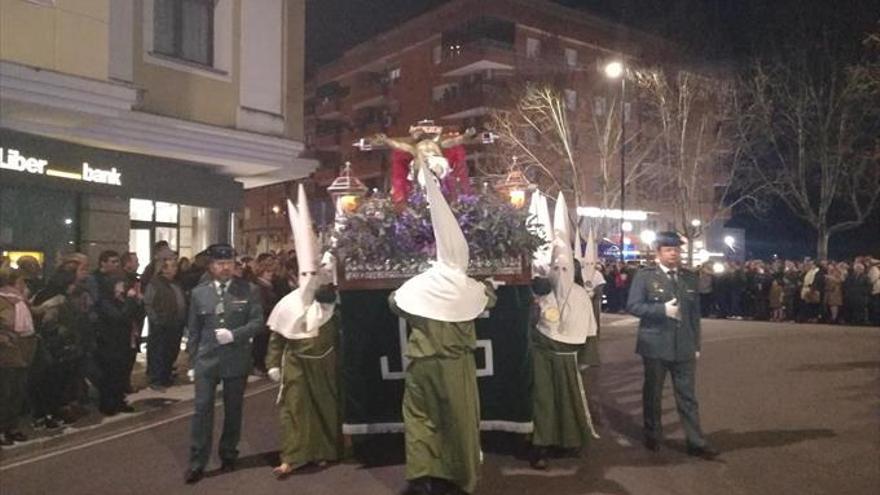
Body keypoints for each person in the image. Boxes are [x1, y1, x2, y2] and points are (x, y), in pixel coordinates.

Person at [389, 164, 497, 495]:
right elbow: (488, 301)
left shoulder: (421, 283)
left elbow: (394, 302)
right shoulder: (469, 287)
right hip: (453, 366)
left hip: (420, 364)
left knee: (420, 419)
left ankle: (422, 474)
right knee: (460, 422)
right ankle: (462, 478)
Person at [266, 185, 345, 477]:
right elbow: (277, 337)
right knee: (294, 409)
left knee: (325, 408)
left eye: (315, 275)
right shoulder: (287, 305)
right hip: (297, 363)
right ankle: (292, 456)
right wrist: (273, 364)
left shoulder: (329, 305)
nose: (311, 280)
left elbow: (339, 333)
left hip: (325, 363)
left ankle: (325, 451)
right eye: (305, 275)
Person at [626, 231, 719, 460]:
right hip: (655, 344)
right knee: (653, 393)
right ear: (658, 252)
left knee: (687, 396)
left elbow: (694, 315)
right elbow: (633, 306)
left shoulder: (688, 277)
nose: (673, 254)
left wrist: (696, 344)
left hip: (684, 345)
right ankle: (653, 434)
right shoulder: (645, 276)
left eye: (676, 250)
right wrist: (661, 310)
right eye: (668, 250)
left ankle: (696, 441)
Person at [527, 193, 599, 470]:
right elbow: (531, 324)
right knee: (543, 402)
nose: (560, 271)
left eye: (565, 267)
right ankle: (540, 445)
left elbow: (589, 329)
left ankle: (567, 441)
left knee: (568, 401)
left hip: (568, 358)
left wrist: (586, 358)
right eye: (555, 267)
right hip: (543, 356)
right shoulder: (542, 294)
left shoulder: (581, 295)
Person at [184, 243, 264, 484]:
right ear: (211, 266)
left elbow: (258, 322)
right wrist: (191, 361)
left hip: (235, 358)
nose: (225, 268)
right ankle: (197, 462)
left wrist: (235, 334)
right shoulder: (199, 293)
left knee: (233, 409)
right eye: (220, 264)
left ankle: (229, 453)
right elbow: (194, 329)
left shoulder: (249, 290)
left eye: (229, 263)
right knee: (202, 411)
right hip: (207, 360)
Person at [0, 268, 38, 446]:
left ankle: (11, 426)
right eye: (22, 282)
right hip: (7, 353)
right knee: (4, 393)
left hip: (23, 350)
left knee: (17, 392)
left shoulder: (21, 302)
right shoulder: (3, 301)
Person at [144, 252, 187, 391]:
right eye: (172, 266)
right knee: (159, 352)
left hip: (176, 323)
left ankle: (166, 375)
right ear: (164, 268)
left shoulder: (175, 283)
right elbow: (149, 303)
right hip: (162, 323)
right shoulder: (155, 284)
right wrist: (156, 319)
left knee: (171, 351)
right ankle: (156, 379)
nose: (175, 269)